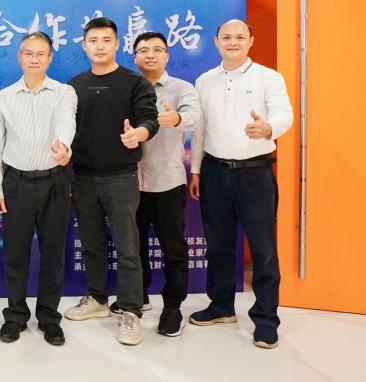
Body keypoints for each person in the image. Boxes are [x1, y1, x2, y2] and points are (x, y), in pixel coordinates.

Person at [188, 19, 292, 349]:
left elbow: (285, 114)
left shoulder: (268, 77)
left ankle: (266, 318)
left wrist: (269, 128)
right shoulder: (204, 81)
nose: (233, 42)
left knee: (263, 250)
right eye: (226, 37)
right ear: (216, 42)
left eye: (239, 37)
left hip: (255, 174)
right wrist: (196, 170)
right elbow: (199, 130)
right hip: (215, 172)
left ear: (251, 41)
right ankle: (221, 306)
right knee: (218, 245)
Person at [63, 16, 157, 346]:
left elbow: (149, 119)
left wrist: (139, 133)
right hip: (82, 177)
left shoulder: (134, 82)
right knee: (91, 243)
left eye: (106, 40)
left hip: (120, 176)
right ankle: (98, 299)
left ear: (117, 44)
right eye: (94, 41)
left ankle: (131, 311)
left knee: (128, 247)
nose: (100, 46)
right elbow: (65, 128)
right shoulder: (74, 86)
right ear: (84, 45)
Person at [0, 32, 76, 346]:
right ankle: (15, 315)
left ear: (50, 58)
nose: (34, 59)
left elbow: (66, 123)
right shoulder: (5, 97)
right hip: (17, 184)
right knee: (15, 254)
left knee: (54, 253)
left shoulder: (64, 93)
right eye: (28, 53)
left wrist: (63, 147)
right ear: (19, 57)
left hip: (55, 181)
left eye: (41, 54)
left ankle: (49, 318)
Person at [125, 31, 199, 337]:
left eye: (157, 49)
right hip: (131, 182)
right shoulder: (127, 86)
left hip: (168, 180)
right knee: (134, 246)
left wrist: (177, 119)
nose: (150, 55)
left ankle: (172, 308)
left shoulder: (181, 89)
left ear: (167, 55)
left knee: (173, 248)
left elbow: (195, 117)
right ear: (134, 57)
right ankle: (138, 296)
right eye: (143, 50)